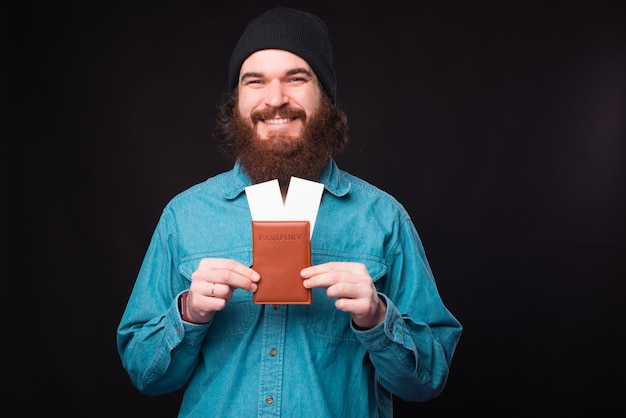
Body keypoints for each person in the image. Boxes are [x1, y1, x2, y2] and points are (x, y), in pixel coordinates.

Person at [117, 7, 462, 417]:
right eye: (255, 81)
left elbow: (428, 381)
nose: (276, 99)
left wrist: (377, 317)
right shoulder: (185, 216)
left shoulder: (383, 218)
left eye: (296, 78)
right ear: (237, 101)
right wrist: (188, 312)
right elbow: (145, 374)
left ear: (326, 97)